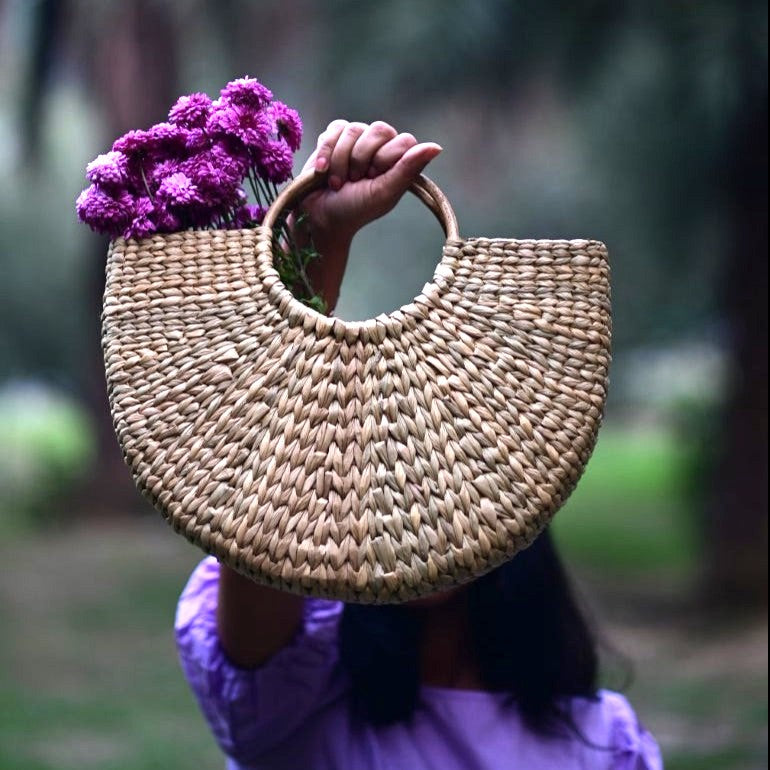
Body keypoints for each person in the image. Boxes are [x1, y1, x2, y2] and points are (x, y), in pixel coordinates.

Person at [175, 120, 664, 770]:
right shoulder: (297, 712)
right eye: (382, 466)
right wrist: (319, 240)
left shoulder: (603, 744)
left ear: (517, 491)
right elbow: (260, 501)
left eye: (444, 459)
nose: (411, 488)